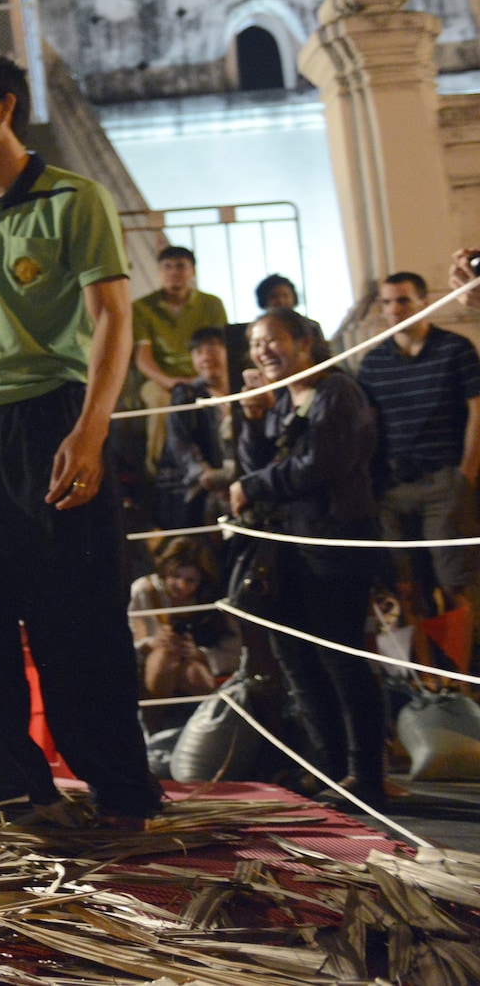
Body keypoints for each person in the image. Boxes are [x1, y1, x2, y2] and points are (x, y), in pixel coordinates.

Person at [0, 52, 161, 825]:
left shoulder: (75, 201)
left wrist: (91, 430)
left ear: (2, 107)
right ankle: (6, 775)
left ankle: (118, 785)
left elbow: (115, 317)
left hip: (51, 412)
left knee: (72, 606)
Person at [231, 307, 389, 802]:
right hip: (289, 549)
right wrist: (252, 421)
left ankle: (365, 775)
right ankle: (327, 767)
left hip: (334, 543)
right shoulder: (281, 402)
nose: (262, 351)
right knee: (295, 659)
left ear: (305, 343)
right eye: (256, 343)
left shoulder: (336, 392)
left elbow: (319, 465)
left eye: (273, 339)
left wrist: (251, 484)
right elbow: (258, 469)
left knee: (340, 657)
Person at [354, 272, 480, 640]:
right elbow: (368, 428)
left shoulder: (455, 349)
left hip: (443, 479)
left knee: (454, 582)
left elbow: (477, 410)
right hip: (393, 488)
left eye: (403, 300)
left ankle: (461, 676)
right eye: (388, 302)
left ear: (423, 302)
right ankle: (427, 680)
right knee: (405, 585)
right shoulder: (372, 362)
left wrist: (466, 474)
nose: (395, 309)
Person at [131, 246, 230, 470]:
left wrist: (201, 379)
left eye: (181, 266)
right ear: (158, 271)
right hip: (162, 381)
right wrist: (172, 384)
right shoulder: (141, 308)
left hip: (205, 376)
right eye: (167, 266)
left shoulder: (212, 304)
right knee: (161, 404)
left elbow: (220, 345)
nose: (173, 272)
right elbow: (143, 357)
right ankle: (156, 472)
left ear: (192, 271)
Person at [127, 536, 240, 699]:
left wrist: (199, 654)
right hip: (150, 666)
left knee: (194, 673)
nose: (182, 586)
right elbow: (126, 641)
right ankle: (151, 722)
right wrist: (152, 643)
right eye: (175, 576)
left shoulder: (212, 599)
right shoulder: (145, 592)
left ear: (202, 580)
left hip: (199, 667)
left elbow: (235, 651)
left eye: (190, 580)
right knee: (164, 658)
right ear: (164, 572)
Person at [156, 325, 237, 531]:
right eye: (198, 352)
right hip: (202, 484)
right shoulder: (186, 394)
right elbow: (179, 439)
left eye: (212, 349)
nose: (205, 357)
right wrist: (202, 473)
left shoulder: (243, 390)